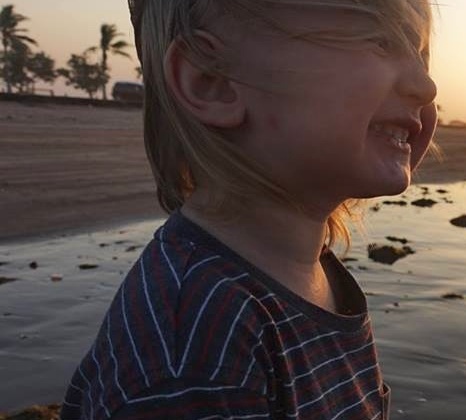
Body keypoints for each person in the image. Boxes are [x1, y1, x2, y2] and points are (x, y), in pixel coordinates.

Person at [59, 0, 437, 418]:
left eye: (421, 55)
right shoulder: (195, 354)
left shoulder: (307, 270)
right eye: (381, 42)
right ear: (213, 82)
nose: (426, 86)